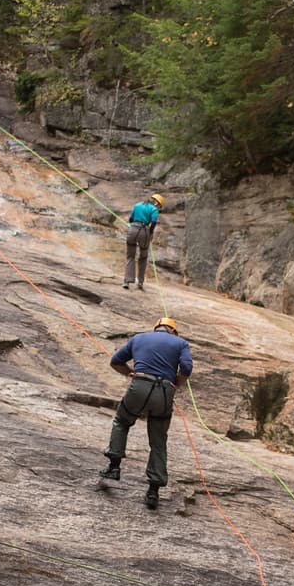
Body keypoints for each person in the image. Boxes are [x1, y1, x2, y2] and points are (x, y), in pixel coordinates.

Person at [100, 317, 192, 509]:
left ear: (156, 328)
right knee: (158, 440)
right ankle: (153, 492)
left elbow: (115, 361)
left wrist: (129, 373)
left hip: (139, 386)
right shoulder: (181, 343)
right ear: (173, 331)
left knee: (122, 421)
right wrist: (176, 384)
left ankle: (114, 467)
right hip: (164, 392)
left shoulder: (139, 338)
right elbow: (186, 368)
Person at [123, 194, 164, 290]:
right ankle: (140, 282)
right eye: (159, 206)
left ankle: (127, 281)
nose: (158, 208)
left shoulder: (137, 205)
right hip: (144, 231)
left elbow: (131, 219)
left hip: (132, 230)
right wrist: (150, 233)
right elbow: (153, 222)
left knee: (130, 256)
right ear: (156, 203)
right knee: (143, 257)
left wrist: (134, 225)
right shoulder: (154, 209)